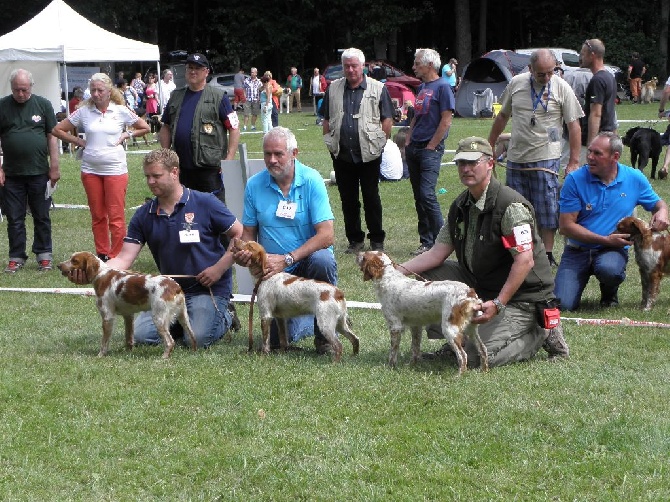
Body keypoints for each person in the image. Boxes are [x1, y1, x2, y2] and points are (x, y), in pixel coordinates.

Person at [398, 136, 568, 367]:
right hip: (482, 284)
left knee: (478, 356)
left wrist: (498, 303)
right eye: (461, 163)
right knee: (429, 275)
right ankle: (457, 336)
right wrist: (397, 272)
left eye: (473, 162)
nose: (466, 169)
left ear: (490, 163)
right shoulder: (460, 206)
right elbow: (436, 254)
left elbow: (525, 261)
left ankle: (538, 333)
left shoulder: (511, 207)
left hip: (521, 297)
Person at [67, 148, 243, 348]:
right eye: (147, 176)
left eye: (156, 176)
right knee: (143, 336)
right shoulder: (143, 215)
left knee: (199, 339)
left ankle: (226, 314)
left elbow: (240, 234)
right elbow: (124, 258)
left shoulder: (205, 202)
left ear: (174, 173)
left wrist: (219, 269)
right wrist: (95, 271)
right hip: (165, 292)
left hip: (207, 289)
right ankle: (178, 324)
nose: (150, 182)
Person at [234, 127, 337, 354]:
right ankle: (308, 319)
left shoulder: (312, 180)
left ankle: (325, 339)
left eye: (278, 154)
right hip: (273, 273)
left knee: (323, 260)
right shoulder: (254, 185)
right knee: (280, 339)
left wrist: (288, 258)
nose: (272, 160)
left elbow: (327, 235)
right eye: (267, 154)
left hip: (305, 261)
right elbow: (248, 233)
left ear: (294, 153)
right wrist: (245, 254)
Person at [488, 49, 584, 267]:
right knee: (515, 209)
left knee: (547, 207)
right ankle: (520, 252)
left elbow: (574, 125)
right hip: (517, 158)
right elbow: (503, 116)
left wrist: (574, 161)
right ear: (530, 69)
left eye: (551, 72)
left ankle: (547, 255)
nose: (547, 77)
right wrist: (490, 145)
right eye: (542, 74)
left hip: (546, 158)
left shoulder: (561, 86)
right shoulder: (516, 83)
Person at [555, 131, 669, 310]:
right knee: (563, 304)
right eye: (590, 151)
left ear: (615, 157)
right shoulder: (574, 180)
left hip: (611, 251)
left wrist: (663, 211)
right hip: (578, 250)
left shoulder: (634, 178)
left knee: (610, 271)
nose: (590, 157)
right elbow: (566, 227)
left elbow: (658, 204)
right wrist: (605, 239)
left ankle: (609, 293)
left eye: (597, 153)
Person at [53, 73, 150, 261]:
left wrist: (126, 135)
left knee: (116, 216)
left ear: (109, 91)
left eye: (100, 90)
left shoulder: (120, 110)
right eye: (93, 90)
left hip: (115, 170)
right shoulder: (83, 112)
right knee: (98, 215)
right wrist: (78, 141)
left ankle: (118, 256)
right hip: (90, 170)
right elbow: (58, 130)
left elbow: (144, 127)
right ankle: (103, 253)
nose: (96, 94)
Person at [322, 47, 395, 253]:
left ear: (363, 66)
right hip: (342, 153)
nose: (351, 70)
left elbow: (387, 118)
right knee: (348, 200)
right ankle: (355, 240)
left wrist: (380, 141)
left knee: (371, 197)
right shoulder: (333, 88)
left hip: (370, 153)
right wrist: (329, 140)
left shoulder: (378, 88)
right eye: (346, 66)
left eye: (354, 66)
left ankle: (376, 240)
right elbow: (326, 118)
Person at [0, 69, 60, 273]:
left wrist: (54, 165)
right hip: (11, 174)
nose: (20, 94)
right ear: (11, 88)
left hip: (39, 172)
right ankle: (16, 256)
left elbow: (52, 136)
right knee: (14, 218)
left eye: (24, 90)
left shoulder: (43, 104)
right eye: (16, 90)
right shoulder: (2, 106)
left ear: (31, 87)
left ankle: (44, 255)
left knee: (41, 215)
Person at [159, 53, 240, 205]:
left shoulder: (218, 97)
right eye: (190, 68)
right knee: (184, 209)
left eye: (198, 68)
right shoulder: (176, 96)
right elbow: (166, 126)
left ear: (206, 72)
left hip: (209, 167)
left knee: (213, 210)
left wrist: (229, 159)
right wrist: (165, 153)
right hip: (181, 167)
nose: (193, 71)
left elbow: (234, 128)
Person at [406, 48, 455, 256]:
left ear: (429, 65)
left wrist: (432, 145)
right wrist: (408, 138)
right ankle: (426, 242)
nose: (413, 67)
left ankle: (442, 240)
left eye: (417, 63)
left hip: (429, 149)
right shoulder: (423, 87)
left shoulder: (443, 87)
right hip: (414, 147)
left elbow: (446, 120)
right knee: (419, 196)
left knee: (427, 194)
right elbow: (416, 115)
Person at [580, 39, 617, 152]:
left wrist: (591, 147)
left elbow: (596, 114)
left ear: (592, 55)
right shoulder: (609, 77)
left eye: (583, 54)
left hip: (599, 141)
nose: (581, 57)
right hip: (608, 139)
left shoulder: (597, 80)